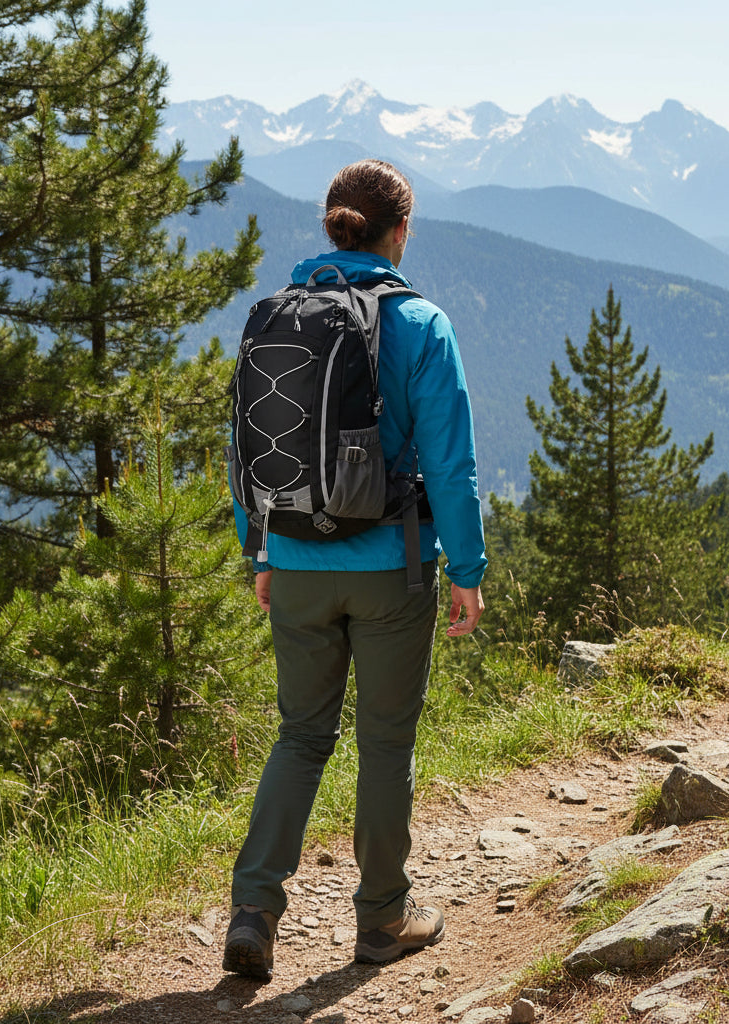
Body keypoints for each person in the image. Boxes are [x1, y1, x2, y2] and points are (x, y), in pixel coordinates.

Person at [223, 159, 487, 980]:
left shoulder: (273, 313)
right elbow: (453, 467)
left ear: (332, 224)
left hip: (293, 560)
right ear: (399, 232)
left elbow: (244, 449)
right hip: (391, 568)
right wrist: (467, 569)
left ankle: (254, 912)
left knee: (300, 736)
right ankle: (382, 919)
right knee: (383, 741)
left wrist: (261, 549)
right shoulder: (420, 323)